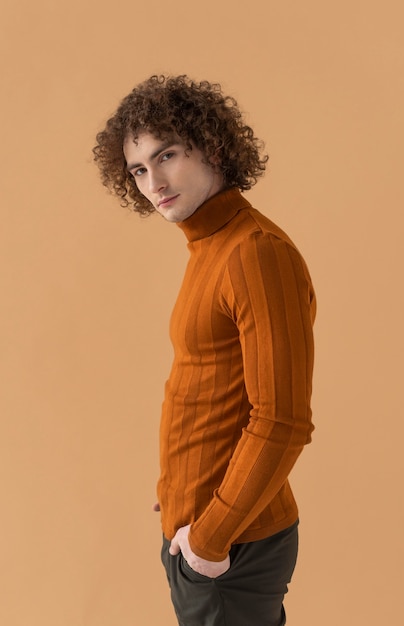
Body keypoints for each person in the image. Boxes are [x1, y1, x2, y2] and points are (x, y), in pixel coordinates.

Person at [93, 75, 316, 626]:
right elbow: (212, 386)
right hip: (202, 537)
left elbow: (282, 420)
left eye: (165, 155)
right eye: (139, 170)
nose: (153, 181)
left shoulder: (256, 253)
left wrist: (212, 535)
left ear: (211, 144)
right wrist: (180, 486)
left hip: (230, 547)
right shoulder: (210, 246)